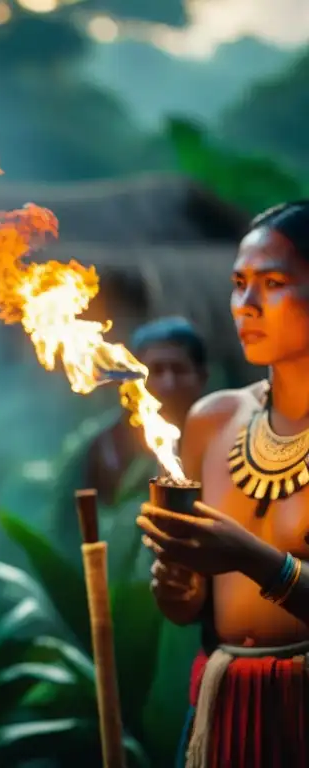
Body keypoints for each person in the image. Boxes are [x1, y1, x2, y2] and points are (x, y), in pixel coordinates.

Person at [137, 201, 309, 766]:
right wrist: (177, 583)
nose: (246, 305)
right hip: (222, 705)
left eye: (273, 283)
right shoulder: (213, 421)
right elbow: (187, 609)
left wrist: (254, 559)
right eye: (238, 284)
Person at [86, 316, 209, 506]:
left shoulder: (222, 435)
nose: (169, 383)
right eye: (157, 371)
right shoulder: (107, 445)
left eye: (179, 369)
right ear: (134, 381)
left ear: (201, 376)